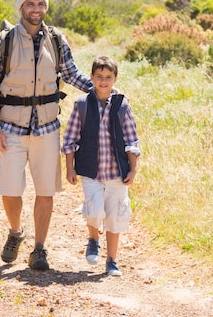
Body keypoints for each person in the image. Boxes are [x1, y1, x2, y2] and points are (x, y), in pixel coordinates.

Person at [0, 0, 93, 271]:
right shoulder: (2, 41)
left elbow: (71, 73)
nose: (36, 9)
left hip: (47, 129)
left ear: (45, 8)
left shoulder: (56, 39)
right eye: (30, 4)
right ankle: (16, 232)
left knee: (45, 190)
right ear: (21, 8)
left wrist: (101, 90)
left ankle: (39, 249)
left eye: (40, 4)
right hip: (10, 128)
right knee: (10, 189)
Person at [61, 55, 140, 276]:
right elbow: (70, 138)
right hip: (91, 171)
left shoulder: (122, 106)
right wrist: (69, 167)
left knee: (115, 216)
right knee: (94, 209)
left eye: (108, 77)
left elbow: (131, 140)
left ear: (115, 78)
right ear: (92, 77)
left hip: (117, 173)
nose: (103, 81)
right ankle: (94, 239)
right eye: (99, 77)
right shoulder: (82, 104)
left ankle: (112, 260)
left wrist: (133, 169)